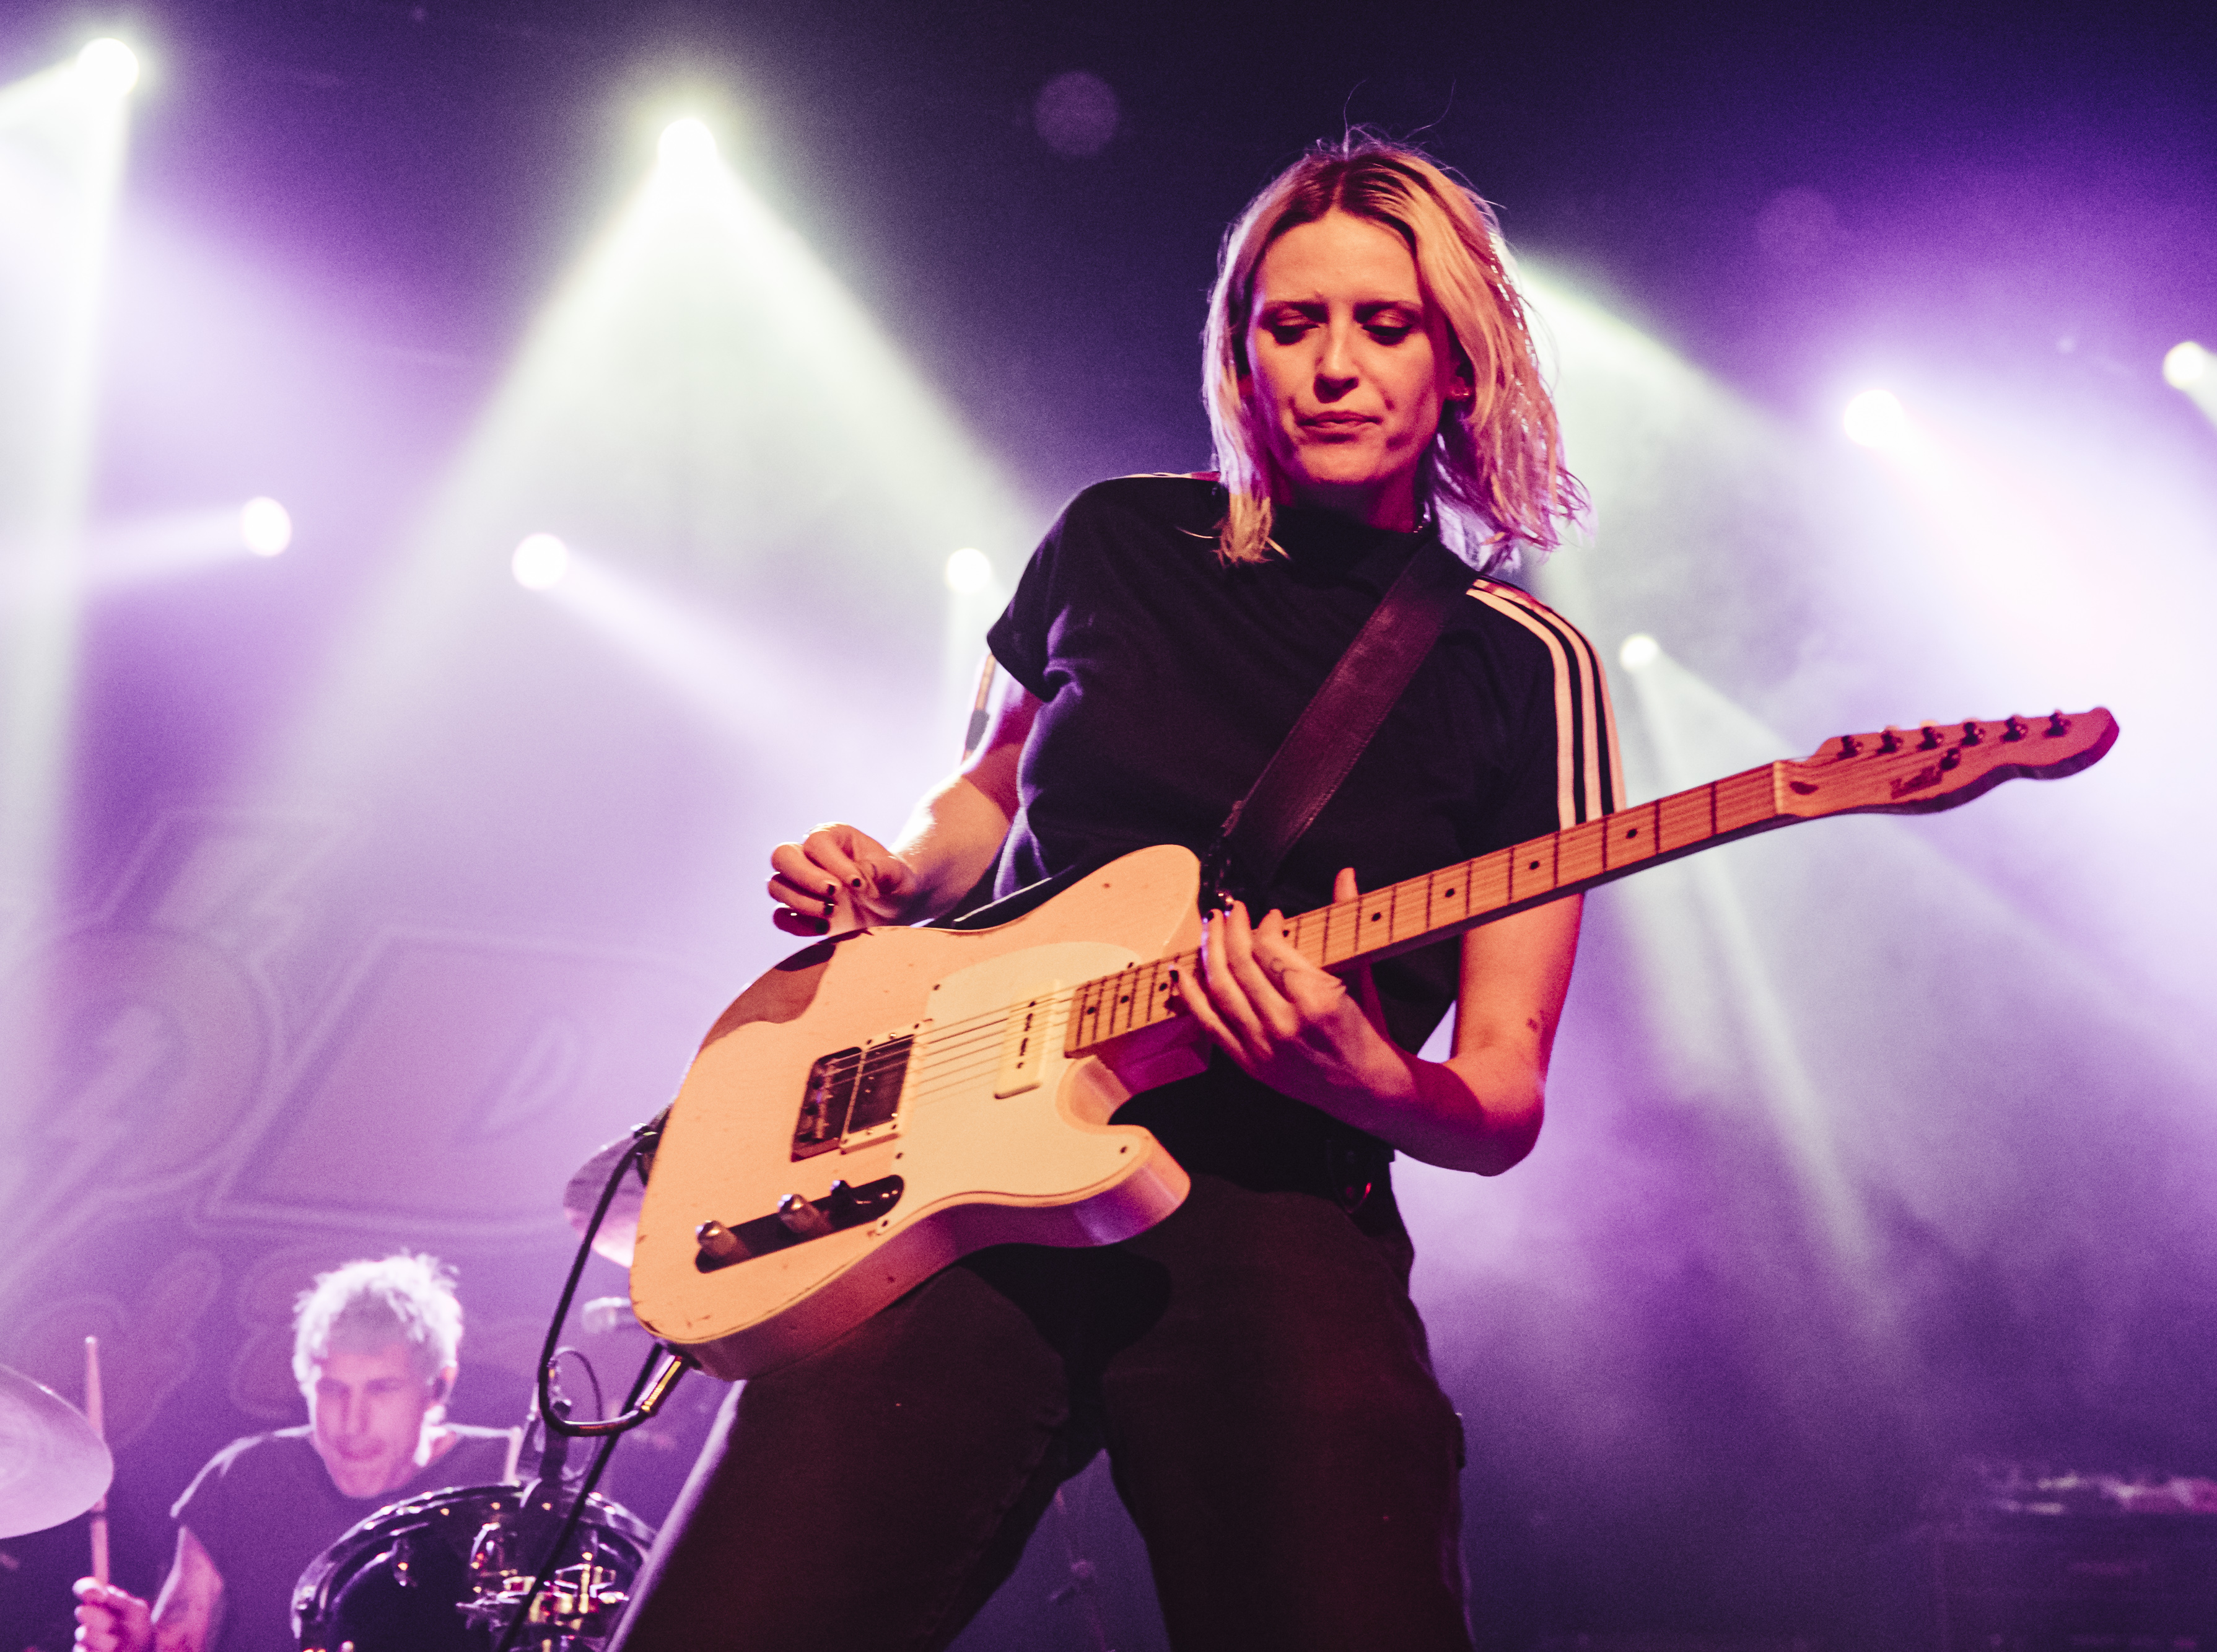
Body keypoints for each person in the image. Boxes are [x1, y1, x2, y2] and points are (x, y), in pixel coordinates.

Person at [611, 133, 1621, 1652]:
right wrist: (890, 872)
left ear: (1458, 365)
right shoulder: (1111, 540)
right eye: (1292, 325)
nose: (1333, 365)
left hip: (1275, 1211)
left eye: (1383, 324)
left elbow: (1497, 1098)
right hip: (957, 1190)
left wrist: (1358, 1077)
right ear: (1240, 352)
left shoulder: (1519, 664)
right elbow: (988, 792)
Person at [72, 1255, 515, 1652]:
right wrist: (135, 1648)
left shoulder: (509, 1478)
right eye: (332, 1388)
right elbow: (179, 1642)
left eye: (382, 1388)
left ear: (438, 1385)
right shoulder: (243, 1478)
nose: (352, 1423)